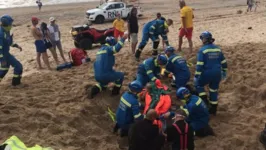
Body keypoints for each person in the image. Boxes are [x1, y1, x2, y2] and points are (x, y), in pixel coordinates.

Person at [194, 31, 227, 115]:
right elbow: (223, 62)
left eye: (202, 38)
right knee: (213, 90)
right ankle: (213, 109)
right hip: (217, 73)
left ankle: (205, 101)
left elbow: (199, 64)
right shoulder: (217, 49)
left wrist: (197, 75)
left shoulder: (202, 50)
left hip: (207, 73)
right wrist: (224, 71)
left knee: (198, 85)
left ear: (204, 39)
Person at [89, 34, 128, 99]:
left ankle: (94, 90)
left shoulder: (99, 51)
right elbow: (116, 48)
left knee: (103, 84)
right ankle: (115, 92)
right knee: (121, 75)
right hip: (105, 75)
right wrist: (123, 38)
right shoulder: (108, 49)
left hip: (97, 76)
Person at [0, 15, 23, 86]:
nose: (11, 25)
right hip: (3, 55)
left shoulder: (8, 31)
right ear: (6, 24)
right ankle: (15, 84)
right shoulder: (1, 34)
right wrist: (2, 58)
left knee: (8, 68)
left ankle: (15, 84)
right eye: (10, 23)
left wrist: (17, 46)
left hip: (6, 54)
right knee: (11, 67)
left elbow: (10, 42)